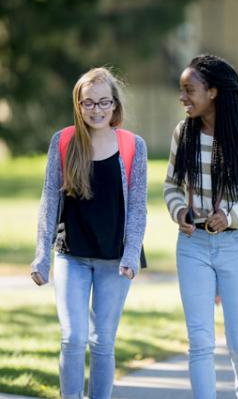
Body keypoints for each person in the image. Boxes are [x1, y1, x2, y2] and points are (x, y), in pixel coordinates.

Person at [163, 55, 238, 398]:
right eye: (181, 90)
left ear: (214, 91)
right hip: (192, 246)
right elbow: (171, 185)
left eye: (190, 90)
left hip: (236, 245)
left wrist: (233, 216)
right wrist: (178, 211)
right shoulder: (182, 133)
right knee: (200, 341)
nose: (182, 97)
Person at [31, 67, 147, 399]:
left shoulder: (132, 145)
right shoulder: (64, 141)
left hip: (115, 259)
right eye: (88, 103)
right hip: (72, 255)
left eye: (103, 102)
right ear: (78, 105)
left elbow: (138, 206)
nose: (96, 110)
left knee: (103, 342)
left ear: (115, 105)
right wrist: (41, 256)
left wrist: (131, 255)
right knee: (73, 338)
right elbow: (49, 200)